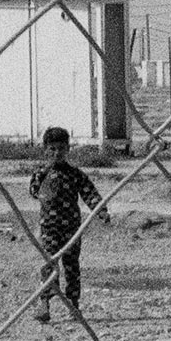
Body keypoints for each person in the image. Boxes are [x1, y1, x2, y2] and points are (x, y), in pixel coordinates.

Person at [28, 126, 103, 323]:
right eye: (52, 149)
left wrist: (100, 210)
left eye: (61, 148)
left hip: (71, 229)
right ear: (45, 150)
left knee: (72, 266)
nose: (57, 153)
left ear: (68, 149)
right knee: (49, 264)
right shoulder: (41, 174)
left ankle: (73, 305)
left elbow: (89, 193)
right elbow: (34, 191)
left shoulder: (75, 174)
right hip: (50, 228)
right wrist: (46, 180)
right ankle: (44, 303)